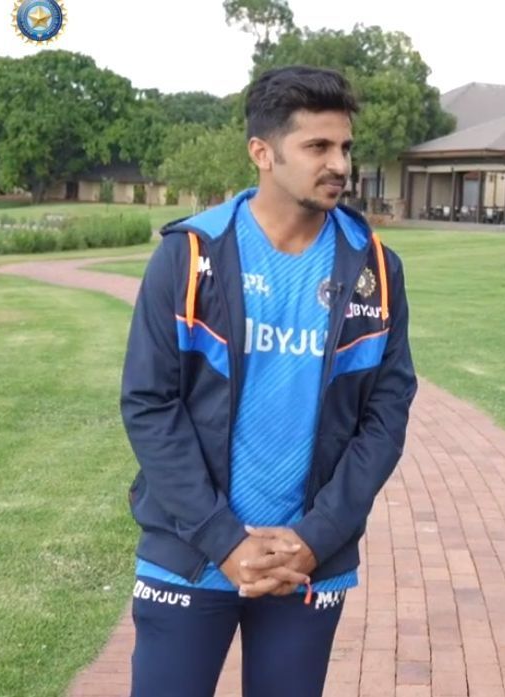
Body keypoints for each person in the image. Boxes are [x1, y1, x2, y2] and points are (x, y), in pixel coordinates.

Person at [120, 65, 416, 697]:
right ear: (262, 152)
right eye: (317, 147)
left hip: (308, 561)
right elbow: (150, 405)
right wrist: (224, 541)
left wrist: (315, 539)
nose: (339, 163)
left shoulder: (377, 268)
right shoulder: (192, 254)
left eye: (345, 147)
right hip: (191, 555)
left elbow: (385, 419)